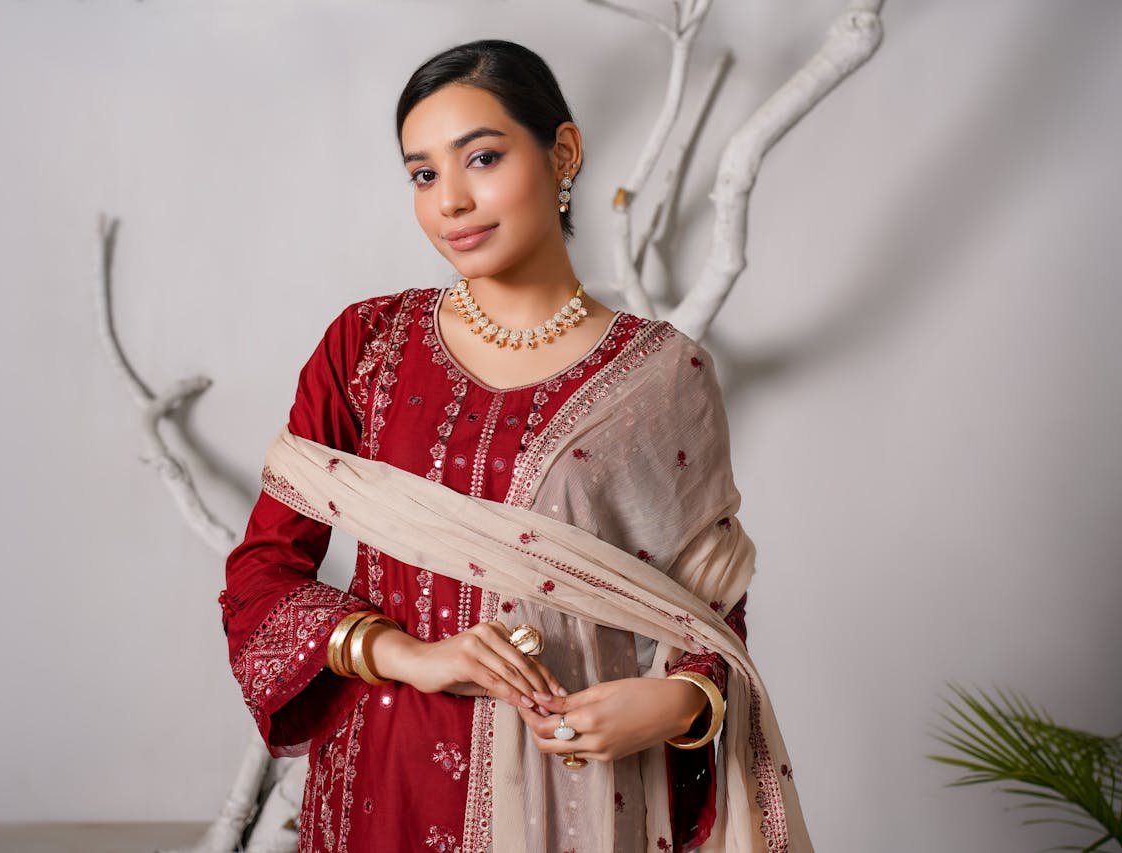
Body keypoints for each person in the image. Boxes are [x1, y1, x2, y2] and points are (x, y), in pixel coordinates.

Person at [221, 39, 794, 853]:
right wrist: (408, 654)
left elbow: (709, 607)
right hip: (382, 777)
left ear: (563, 153)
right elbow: (261, 574)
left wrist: (680, 703)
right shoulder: (366, 346)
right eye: (423, 174)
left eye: (481, 158)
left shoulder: (663, 376)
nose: (451, 200)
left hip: (579, 786)